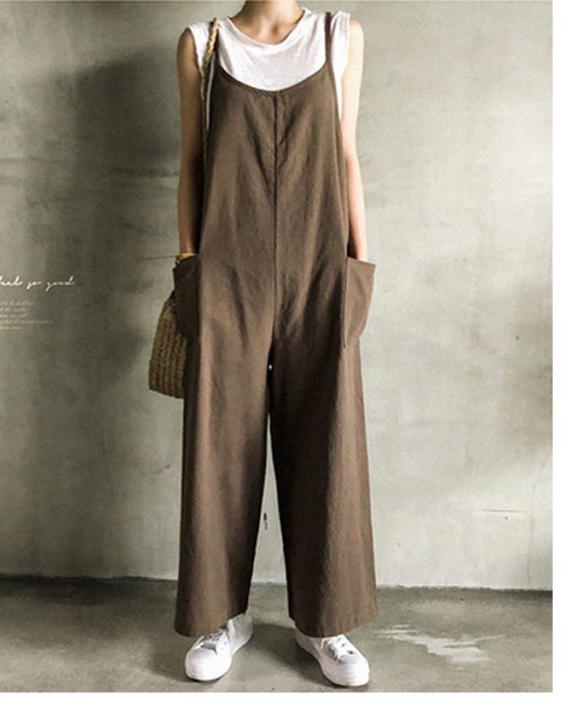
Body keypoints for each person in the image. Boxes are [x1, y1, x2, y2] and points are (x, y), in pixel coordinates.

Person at [172, 1, 377, 688]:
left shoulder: (339, 36)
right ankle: (221, 616)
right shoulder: (202, 46)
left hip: (321, 267)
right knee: (218, 445)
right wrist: (189, 264)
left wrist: (358, 266)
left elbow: (345, 153)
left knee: (328, 439)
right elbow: (191, 162)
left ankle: (323, 621)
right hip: (227, 270)